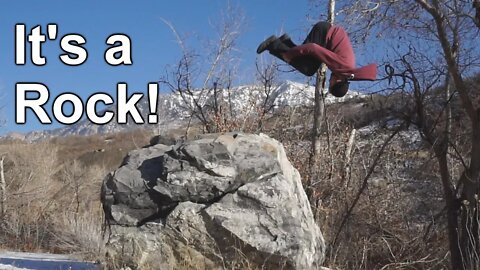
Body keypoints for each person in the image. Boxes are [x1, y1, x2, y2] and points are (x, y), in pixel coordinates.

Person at [256, 21, 377, 97]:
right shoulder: (341, 67)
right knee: (308, 69)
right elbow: (312, 48)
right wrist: (290, 54)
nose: (329, 81)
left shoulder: (346, 71)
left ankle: (284, 42)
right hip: (324, 31)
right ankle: (274, 45)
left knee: (307, 63)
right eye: (330, 84)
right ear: (337, 82)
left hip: (326, 33)